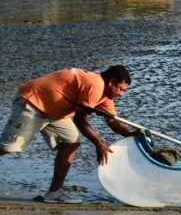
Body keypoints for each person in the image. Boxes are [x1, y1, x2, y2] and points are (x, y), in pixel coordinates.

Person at [0, 66, 135, 203]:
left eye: (124, 91)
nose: (121, 94)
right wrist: (98, 143)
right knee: (8, 147)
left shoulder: (106, 97)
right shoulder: (95, 84)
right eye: (120, 89)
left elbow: (112, 122)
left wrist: (131, 134)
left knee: (71, 142)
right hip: (34, 103)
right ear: (111, 82)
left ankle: (54, 193)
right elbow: (80, 120)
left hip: (55, 112)